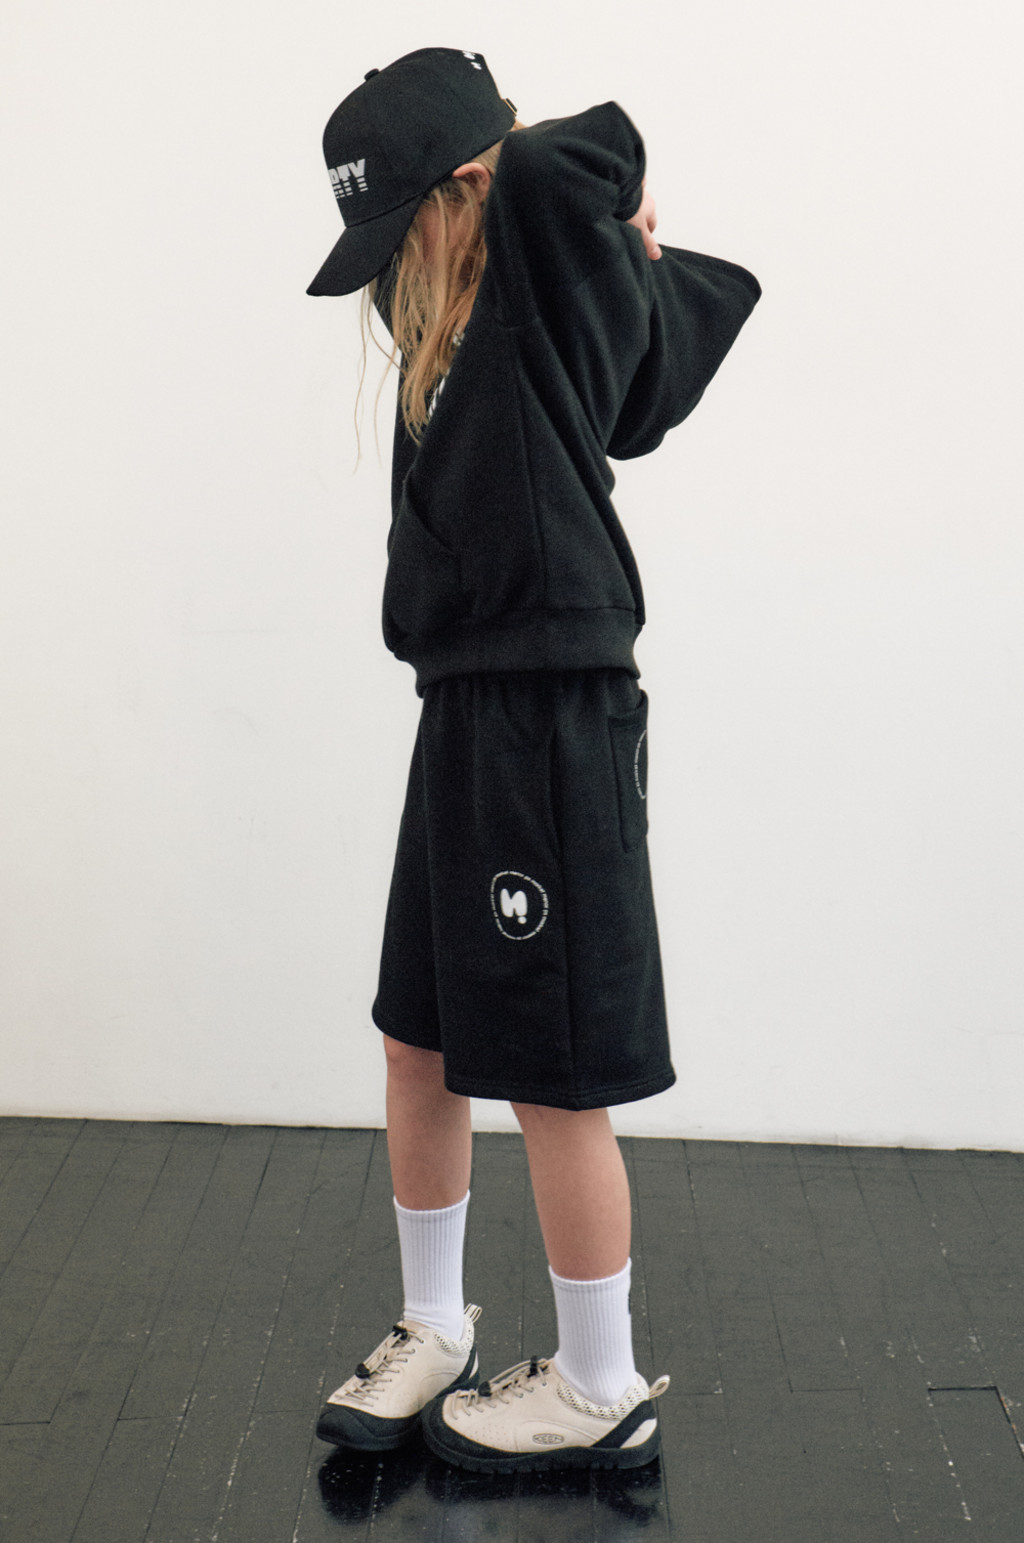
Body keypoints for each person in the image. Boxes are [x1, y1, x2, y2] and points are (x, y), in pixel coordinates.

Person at [306, 46, 759, 1474]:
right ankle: (435, 1324)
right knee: (419, 1033)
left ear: (463, 189)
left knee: (554, 1071)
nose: (393, 268)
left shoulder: (537, 267)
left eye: (406, 225)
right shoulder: (447, 329)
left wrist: (542, 175)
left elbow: (578, 151)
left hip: (550, 710)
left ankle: (602, 1384)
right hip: (463, 709)